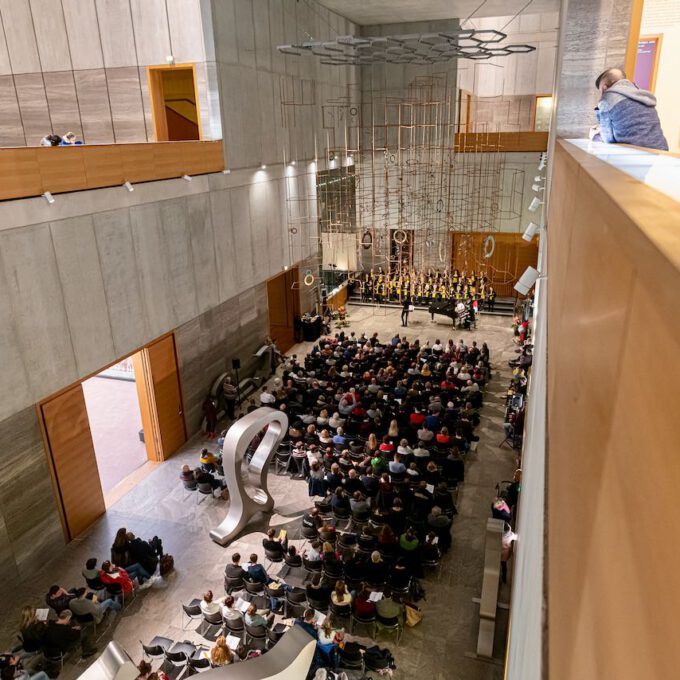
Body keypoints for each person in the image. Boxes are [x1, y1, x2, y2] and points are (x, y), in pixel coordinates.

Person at [593, 67, 668, 150]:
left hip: (636, 153)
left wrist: (596, 135)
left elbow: (607, 138)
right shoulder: (642, 95)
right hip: (661, 151)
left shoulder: (608, 98)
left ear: (604, 88)